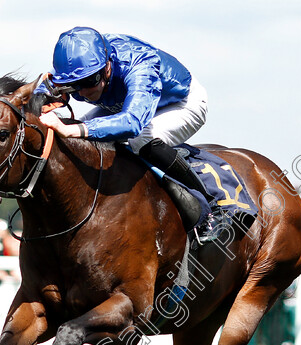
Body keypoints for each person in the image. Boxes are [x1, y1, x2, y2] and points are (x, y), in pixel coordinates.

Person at [35, 26, 215, 234]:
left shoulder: (139, 65)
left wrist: (75, 129)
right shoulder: (73, 67)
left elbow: (132, 123)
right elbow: (39, 97)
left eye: (89, 81)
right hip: (124, 105)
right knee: (77, 141)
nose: (83, 91)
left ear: (107, 67)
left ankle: (208, 206)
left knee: (141, 139)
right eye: (74, 84)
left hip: (182, 102)